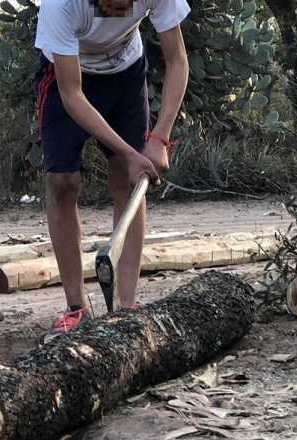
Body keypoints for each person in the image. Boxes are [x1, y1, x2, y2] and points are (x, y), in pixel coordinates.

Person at [34, 0, 190, 343]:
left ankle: (127, 307)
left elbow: (177, 61)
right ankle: (76, 308)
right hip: (69, 78)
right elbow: (72, 94)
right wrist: (130, 151)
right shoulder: (62, 4)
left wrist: (160, 137)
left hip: (126, 73)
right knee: (62, 182)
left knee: (127, 179)